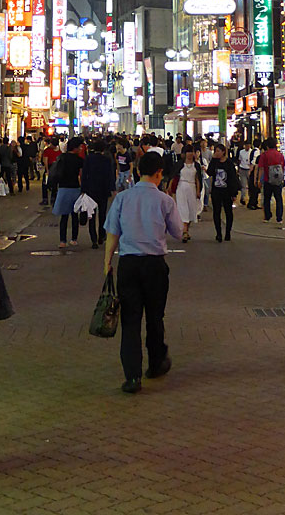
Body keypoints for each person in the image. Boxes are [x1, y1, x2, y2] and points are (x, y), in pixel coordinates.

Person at [103, 151, 182, 394]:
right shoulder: (165, 201)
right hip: (155, 265)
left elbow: (112, 232)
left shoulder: (122, 198)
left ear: (138, 171)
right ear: (159, 173)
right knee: (155, 317)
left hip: (128, 264)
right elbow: (179, 232)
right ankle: (156, 363)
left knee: (130, 320)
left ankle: (132, 377)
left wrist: (107, 262)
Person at [81, 140, 117, 249]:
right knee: (102, 214)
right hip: (103, 190)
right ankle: (101, 235)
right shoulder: (107, 160)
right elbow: (110, 175)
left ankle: (93, 239)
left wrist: (83, 189)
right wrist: (112, 189)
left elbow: (84, 175)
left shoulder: (89, 159)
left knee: (91, 215)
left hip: (91, 190)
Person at [52, 137, 84, 247]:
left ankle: (62, 241)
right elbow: (81, 176)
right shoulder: (79, 160)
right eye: (80, 147)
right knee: (75, 216)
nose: (81, 149)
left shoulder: (62, 157)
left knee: (64, 216)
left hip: (63, 189)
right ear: (75, 148)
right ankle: (74, 239)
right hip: (75, 189)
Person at [208, 143, 239, 243]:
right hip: (216, 191)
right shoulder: (215, 162)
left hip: (227, 191)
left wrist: (234, 193)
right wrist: (213, 160)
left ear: (223, 152)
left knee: (228, 212)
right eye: (215, 151)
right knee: (216, 212)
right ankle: (218, 233)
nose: (216, 153)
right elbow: (209, 172)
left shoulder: (229, 164)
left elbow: (233, 179)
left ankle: (228, 232)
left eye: (218, 151)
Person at [172, 146, 202, 242]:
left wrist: (198, 191)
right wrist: (169, 188)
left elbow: (198, 179)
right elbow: (173, 176)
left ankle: (186, 230)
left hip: (192, 188)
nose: (189, 154)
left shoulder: (196, 165)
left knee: (191, 210)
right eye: (187, 152)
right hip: (181, 187)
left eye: (191, 152)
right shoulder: (179, 164)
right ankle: (184, 231)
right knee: (183, 209)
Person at [256, 139, 285, 223]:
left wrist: (259, 180)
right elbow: (283, 167)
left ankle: (267, 216)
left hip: (267, 179)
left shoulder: (264, 155)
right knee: (278, 198)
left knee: (267, 199)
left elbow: (261, 168)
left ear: (267, 146)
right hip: (278, 180)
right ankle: (279, 218)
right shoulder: (280, 155)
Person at [41, 137, 61, 206]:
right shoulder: (59, 151)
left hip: (50, 168)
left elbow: (45, 161)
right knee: (55, 184)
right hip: (57, 170)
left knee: (45, 184)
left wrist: (47, 170)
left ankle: (45, 199)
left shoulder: (47, 150)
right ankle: (53, 199)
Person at [237, 140, 253, 205]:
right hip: (242, 169)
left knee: (250, 185)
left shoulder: (252, 152)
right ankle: (242, 198)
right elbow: (239, 160)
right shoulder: (241, 152)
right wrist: (238, 169)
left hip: (249, 169)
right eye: (246, 146)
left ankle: (250, 198)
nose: (248, 147)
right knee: (243, 185)